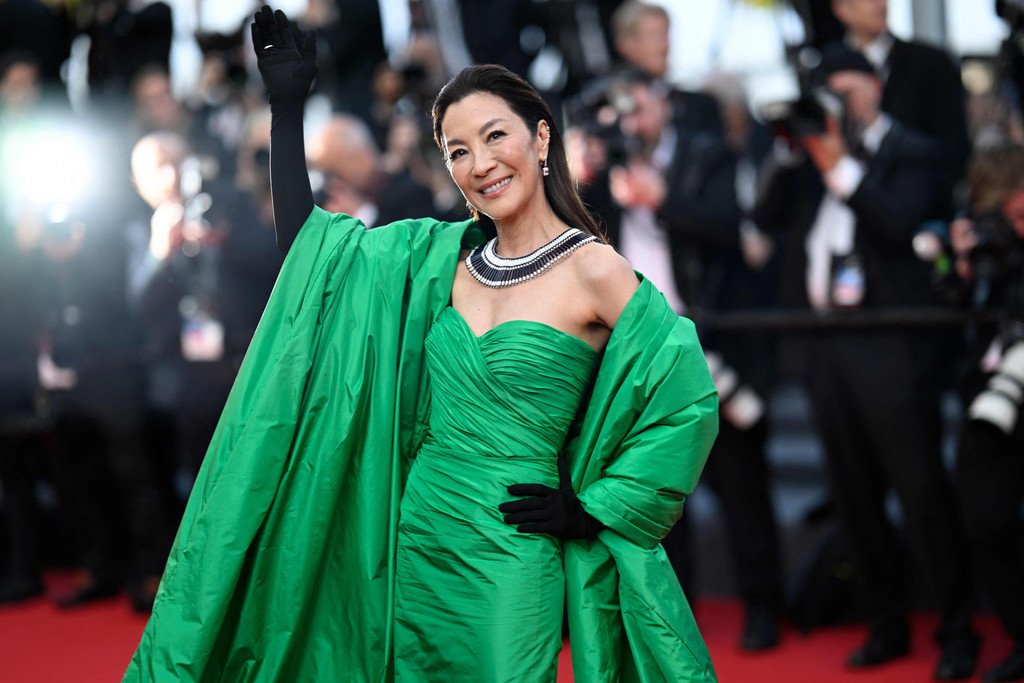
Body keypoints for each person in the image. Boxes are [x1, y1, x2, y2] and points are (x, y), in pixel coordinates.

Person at [123, 6, 719, 682]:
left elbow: (685, 396)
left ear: (541, 137)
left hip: (514, 549)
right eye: (458, 151)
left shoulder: (594, 269)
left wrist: (595, 508)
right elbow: (312, 257)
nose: (480, 164)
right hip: (416, 528)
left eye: (495, 136)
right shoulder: (436, 260)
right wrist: (286, 113)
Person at [754, 48, 978, 680]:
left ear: (876, 86)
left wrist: (840, 166)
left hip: (891, 343)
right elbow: (764, 219)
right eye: (829, 95)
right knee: (853, 496)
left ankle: (957, 630)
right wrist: (789, 150)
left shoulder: (913, 151)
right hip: (825, 344)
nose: (840, 107)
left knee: (921, 491)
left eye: (849, 92)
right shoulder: (805, 157)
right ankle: (886, 622)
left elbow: (900, 226)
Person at [950, 145, 1024, 683]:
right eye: (1009, 217)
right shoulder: (994, 247)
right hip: (990, 398)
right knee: (985, 519)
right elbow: (961, 306)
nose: (1018, 228)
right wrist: (959, 265)